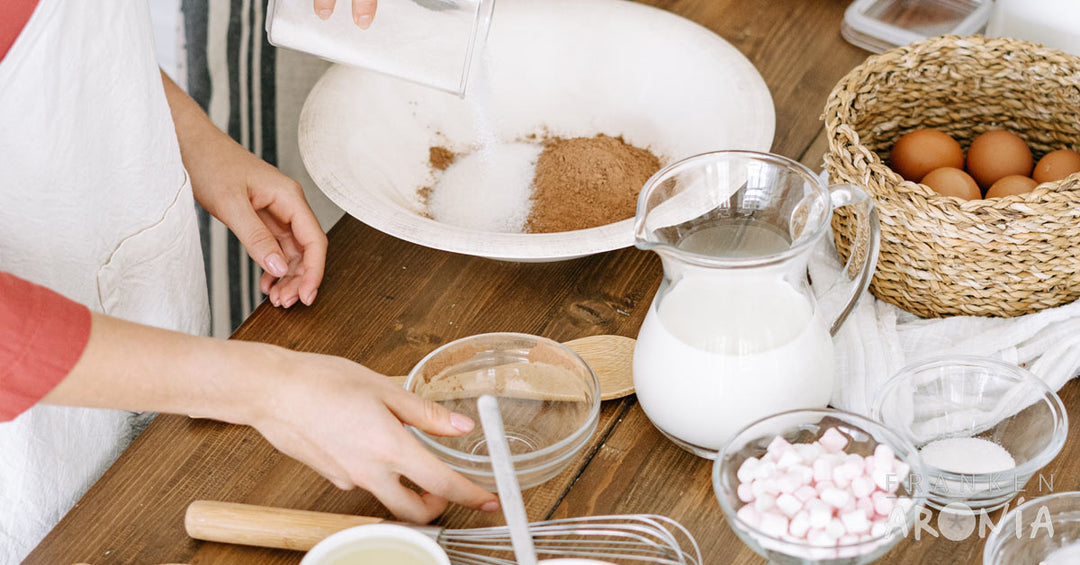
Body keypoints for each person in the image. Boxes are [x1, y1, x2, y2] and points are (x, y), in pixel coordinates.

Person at [0, 1, 496, 561]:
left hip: (148, 319)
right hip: (32, 437)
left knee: (158, 485)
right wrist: (267, 388)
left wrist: (197, 144)